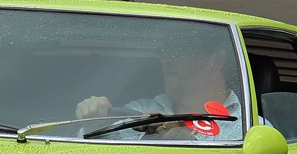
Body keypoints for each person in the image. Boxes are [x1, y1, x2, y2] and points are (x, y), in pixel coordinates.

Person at [73, 47, 244, 142]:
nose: (165, 59)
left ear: (217, 60)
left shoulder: (249, 127)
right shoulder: (140, 109)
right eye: (163, 53)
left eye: (178, 51)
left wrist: (191, 148)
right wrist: (93, 126)